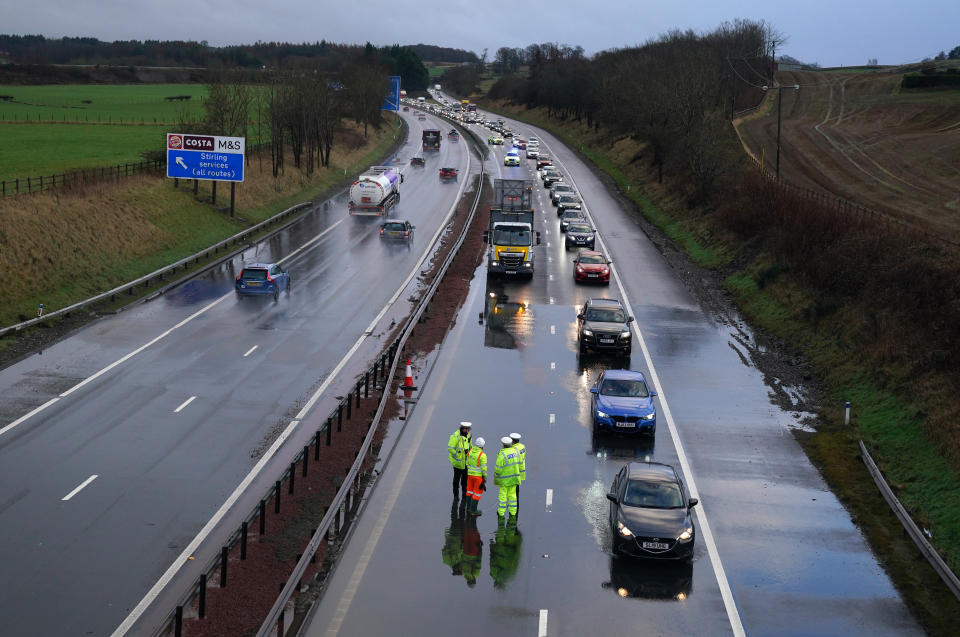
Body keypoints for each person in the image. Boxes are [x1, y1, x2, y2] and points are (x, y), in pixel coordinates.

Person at [494, 436, 521, 519]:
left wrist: (496, 477)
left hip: (504, 480)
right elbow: (520, 462)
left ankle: (501, 513)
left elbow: (497, 469)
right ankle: (513, 512)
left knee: (503, 496)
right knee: (513, 496)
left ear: (503, 445)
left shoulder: (502, 454)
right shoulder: (516, 452)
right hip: (514, 479)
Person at [447, 421, 472, 499]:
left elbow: (470, 446)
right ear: (462, 428)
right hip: (458, 463)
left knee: (465, 481)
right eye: (466, 429)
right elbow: (450, 448)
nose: (468, 431)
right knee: (456, 480)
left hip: (465, 463)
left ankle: (464, 495)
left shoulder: (468, 435)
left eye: (468, 429)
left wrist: (469, 453)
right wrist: (457, 456)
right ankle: (456, 495)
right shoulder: (456, 436)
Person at [465, 437, 487, 516]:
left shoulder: (470, 451)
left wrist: (470, 470)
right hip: (478, 477)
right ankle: (473, 510)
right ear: (482, 446)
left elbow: (467, 463)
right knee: (477, 493)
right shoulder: (482, 455)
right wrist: (484, 477)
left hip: (470, 475)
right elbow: (484, 468)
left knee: (469, 491)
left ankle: (468, 508)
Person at [510, 432, 526, 502]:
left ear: (512, 441)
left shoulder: (513, 449)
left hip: (515, 470)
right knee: (517, 487)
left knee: (513, 488)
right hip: (521, 469)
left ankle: (513, 503)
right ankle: (516, 500)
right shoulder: (522, 446)